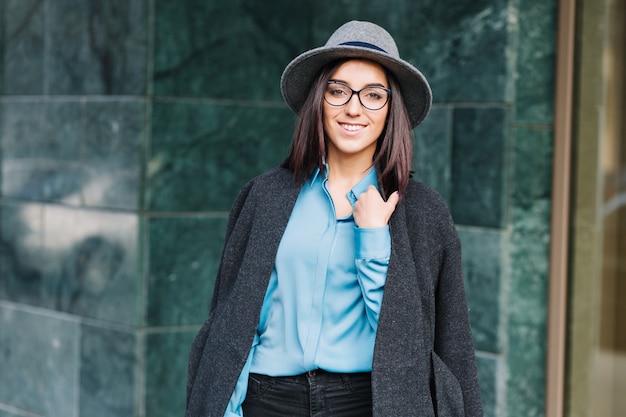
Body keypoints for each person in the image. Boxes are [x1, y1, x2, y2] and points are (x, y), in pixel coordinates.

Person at [185, 20, 483, 417]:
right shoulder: (264, 196)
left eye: (374, 95)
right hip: (267, 399)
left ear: (391, 109)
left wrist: (374, 235)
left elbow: (436, 344)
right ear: (318, 100)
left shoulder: (423, 212)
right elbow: (233, 323)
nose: (354, 107)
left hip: (367, 402)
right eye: (339, 91)